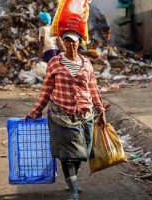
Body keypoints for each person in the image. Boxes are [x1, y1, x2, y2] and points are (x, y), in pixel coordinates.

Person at [26, 31, 106, 200]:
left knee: (82, 152)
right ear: (62, 42)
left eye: (73, 41)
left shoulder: (87, 64)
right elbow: (46, 90)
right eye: (67, 41)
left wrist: (101, 110)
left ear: (79, 43)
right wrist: (36, 110)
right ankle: (73, 189)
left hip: (85, 114)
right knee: (67, 154)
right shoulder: (55, 63)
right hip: (61, 114)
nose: (70, 44)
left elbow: (93, 89)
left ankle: (73, 179)